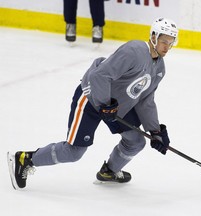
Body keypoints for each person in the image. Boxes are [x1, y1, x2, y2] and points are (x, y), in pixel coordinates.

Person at [7, 18, 179, 189]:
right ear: (154, 36)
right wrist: (105, 104)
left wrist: (155, 131)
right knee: (74, 152)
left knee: (136, 141)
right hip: (91, 97)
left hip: (116, 105)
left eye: (170, 43)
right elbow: (100, 76)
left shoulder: (159, 69)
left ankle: (109, 171)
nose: (166, 47)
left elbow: (145, 101)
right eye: (164, 41)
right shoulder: (134, 50)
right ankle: (25, 159)